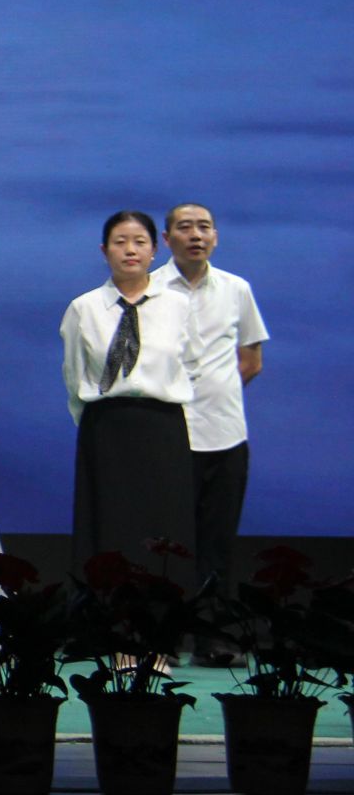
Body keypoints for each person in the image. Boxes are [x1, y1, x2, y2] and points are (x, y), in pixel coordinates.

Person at [154, 203, 267, 664]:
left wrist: (216, 393)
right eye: (185, 228)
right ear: (167, 239)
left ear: (215, 237)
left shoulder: (237, 289)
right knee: (165, 543)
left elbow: (251, 361)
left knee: (217, 543)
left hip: (225, 433)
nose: (196, 235)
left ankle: (212, 640)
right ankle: (161, 638)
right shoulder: (150, 290)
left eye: (204, 227)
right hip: (169, 434)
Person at [62, 210, 195, 577]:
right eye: (120, 242)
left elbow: (191, 366)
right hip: (106, 429)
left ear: (155, 250)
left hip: (163, 428)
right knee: (108, 523)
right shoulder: (84, 308)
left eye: (140, 242)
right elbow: (74, 376)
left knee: (165, 523)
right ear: (104, 250)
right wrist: (96, 423)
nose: (130, 250)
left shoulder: (179, 306)